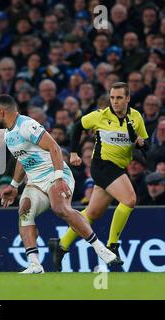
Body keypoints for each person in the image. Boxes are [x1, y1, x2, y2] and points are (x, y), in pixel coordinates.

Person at [0, 95, 118, 274]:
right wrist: (14, 185)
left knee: (59, 208)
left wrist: (59, 178)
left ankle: (100, 248)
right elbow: (23, 159)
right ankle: (35, 264)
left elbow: (54, 148)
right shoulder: (8, 135)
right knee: (24, 210)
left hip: (56, 173)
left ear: (1, 112)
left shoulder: (27, 125)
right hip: (36, 181)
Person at [49, 82, 149, 271]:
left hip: (118, 168)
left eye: (119, 98)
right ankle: (113, 245)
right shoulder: (100, 115)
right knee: (129, 199)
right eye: (112, 98)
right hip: (101, 166)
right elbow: (77, 127)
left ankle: (61, 245)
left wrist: (140, 142)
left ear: (128, 98)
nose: (115, 101)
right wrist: (74, 152)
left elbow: (145, 148)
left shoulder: (136, 117)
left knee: (93, 213)